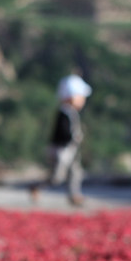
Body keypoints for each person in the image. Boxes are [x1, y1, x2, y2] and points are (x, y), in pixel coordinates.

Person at [48, 74, 92, 207]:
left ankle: (74, 195)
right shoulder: (64, 113)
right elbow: (63, 131)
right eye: (81, 97)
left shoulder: (72, 113)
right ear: (71, 97)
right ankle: (37, 188)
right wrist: (73, 136)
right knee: (57, 176)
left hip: (71, 150)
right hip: (62, 149)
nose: (83, 100)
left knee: (76, 172)